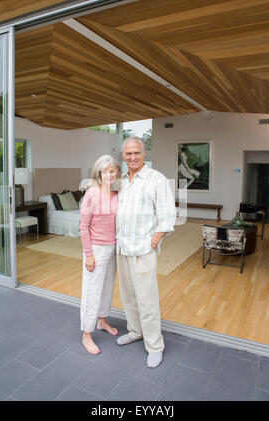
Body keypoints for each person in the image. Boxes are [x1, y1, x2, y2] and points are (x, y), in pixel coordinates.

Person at [116, 136, 176, 368]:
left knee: (147, 299)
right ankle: (135, 331)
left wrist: (156, 239)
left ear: (144, 154)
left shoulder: (156, 179)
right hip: (122, 247)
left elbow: (168, 215)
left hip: (143, 248)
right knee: (128, 295)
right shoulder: (120, 180)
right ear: (123, 155)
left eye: (137, 153)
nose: (133, 157)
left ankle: (155, 346)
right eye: (128, 153)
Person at [79, 155, 121, 355]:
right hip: (95, 249)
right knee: (92, 291)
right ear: (99, 173)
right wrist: (88, 254)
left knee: (107, 287)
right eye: (106, 171)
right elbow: (83, 226)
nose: (110, 175)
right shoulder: (91, 194)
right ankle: (86, 334)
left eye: (113, 171)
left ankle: (102, 320)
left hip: (113, 248)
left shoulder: (116, 193)